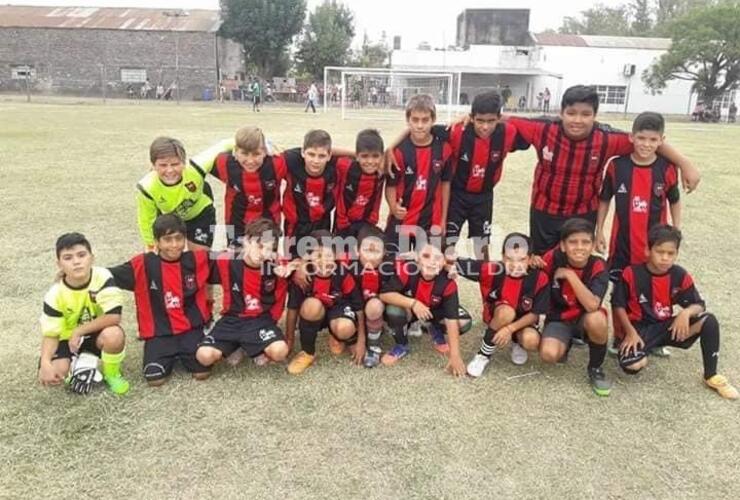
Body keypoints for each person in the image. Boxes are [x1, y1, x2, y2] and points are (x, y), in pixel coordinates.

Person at [507, 85, 699, 255]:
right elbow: (502, 120)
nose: (578, 120)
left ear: (595, 116)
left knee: (576, 267)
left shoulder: (607, 138)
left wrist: (685, 164)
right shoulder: (542, 129)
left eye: (585, 114)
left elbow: (646, 140)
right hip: (544, 212)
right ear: (561, 112)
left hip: (583, 214)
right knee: (542, 266)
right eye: (571, 113)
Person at [612, 225, 738, 400]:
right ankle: (645, 349)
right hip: (639, 330)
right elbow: (618, 305)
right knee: (632, 366)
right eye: (660, 252)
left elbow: (699, 305)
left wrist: (685, 313)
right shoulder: (631, 273)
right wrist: (630, 333)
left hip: (665, 327)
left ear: (676, 254)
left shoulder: (679, 275)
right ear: (648, 250)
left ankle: (711, 375)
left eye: (670, 254)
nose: (665, 258)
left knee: (709, 320)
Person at [109, 214, 212, 386]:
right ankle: (166, 352)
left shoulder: (197, 259)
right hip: (159, 333)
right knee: (155, 380)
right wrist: (75, 275)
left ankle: (188, 350)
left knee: (202, 373)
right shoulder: (142, 264)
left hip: (190, 329)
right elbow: (107, 275)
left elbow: (232, 263)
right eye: (167, 239)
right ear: (157, 242)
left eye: (179, 238)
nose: (174, 245)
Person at [431, 91, 529, 260]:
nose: (485, 126)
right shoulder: (457, 131)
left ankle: (487, 284)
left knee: (481, 247)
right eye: (480, 120)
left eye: (491, 121)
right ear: (472, 117)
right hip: (457, 196)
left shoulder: (507, 133)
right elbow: (423, 130)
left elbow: (529, 136)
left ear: (499, 118)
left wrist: (507, 118)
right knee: (446, 245)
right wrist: (390, 149)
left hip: (484, 198)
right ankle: (442, 285)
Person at [38, 233, 129, 395]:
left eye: (81, 255)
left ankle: (112, 374)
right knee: (56, 375)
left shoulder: (103, 277)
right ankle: (78, 366)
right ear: (59, 264)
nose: (76, 261)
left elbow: (114, 316)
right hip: (68, 341)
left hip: (96, 335)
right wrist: (45, 362)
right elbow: (51, 334)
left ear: (92, 258)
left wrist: (79, 331)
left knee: (114, 334)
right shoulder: (54, 294)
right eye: (68, 258)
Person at [597, 111, 682, 283]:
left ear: (661, 140)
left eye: (653, 140)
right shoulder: (616, 166)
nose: (646, 144)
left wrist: (676, 229)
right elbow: (604, 199)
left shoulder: (667, 169)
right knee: (620, 291)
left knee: (648, 287)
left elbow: (674, 200)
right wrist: (599, 230)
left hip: (654, 245)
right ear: (631, 137)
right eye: (641, 138)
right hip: (622, 244)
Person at [196, 218, 292, 371]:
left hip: (259, 321)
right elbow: (196, 263)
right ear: (247, 241)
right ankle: (239, 346)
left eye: (269, 249)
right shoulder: (227, 260)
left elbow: (294, 268)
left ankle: (248, 346)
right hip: (232, 320)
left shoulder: (275, 267)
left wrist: (289, 266)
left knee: (280, 352)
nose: (263, 253)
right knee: (204, 357)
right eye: (259, 246)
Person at [456, 233, 549, 378]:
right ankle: (483, 355)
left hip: (522, 323)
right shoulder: (491, 269)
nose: (515, 264)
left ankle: (515, 341)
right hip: (498, 316)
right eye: (509, 258)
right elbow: (457, 263)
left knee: (531, 341)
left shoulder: (540, 278)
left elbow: (535, 314)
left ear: (531, 259)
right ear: (502, 257)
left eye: (522, 259)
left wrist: (509, 329)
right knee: (507, 312)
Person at [538, 218, 611, 396]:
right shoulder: (553, 258)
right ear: (562, 246)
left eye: (585, 242)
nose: (579, 247)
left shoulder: (598, 265)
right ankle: (567, 341)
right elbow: (534, 277)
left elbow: (592, 305)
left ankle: (595, 367)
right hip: (559, 318)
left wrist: (570, 275)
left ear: (593, 245)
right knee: (548, 355)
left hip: (585, 318)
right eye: (573, 242)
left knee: (597, 319)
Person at [379, 242, 470, 376]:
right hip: (412, 310)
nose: (432, 262)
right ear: (417, 258)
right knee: (393, 310)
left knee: (464, 323)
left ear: (445, 261)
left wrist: (455, 355)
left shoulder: (448, 282)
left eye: (437, 258)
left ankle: (433, 327)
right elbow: (384, 294)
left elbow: (451, 319)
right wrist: (413, 303)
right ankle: (401, 345)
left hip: (435, 311)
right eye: (426, 256)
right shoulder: (408, 270)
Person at [190, 126, 286, 247]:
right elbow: (196, 162)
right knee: (236, 263)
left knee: (266, 263)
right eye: (244, 154)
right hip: (236, 225)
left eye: (256, 154)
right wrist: (227, 143)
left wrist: (269, 143)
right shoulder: (224, 163)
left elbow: (304, 157)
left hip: (269, 223)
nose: (250, 161)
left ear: (265, 151)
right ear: (235, 151)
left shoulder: (277, 162)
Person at [286, 230, 364, 374]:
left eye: (328, 255)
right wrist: (289, 340)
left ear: (335, 255)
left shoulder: (343, 273)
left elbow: (359, 308)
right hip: (317, 312)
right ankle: (308, 353)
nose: (323, 260)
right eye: (318, 255)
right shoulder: (303, 276)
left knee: (345, 329)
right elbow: (292, 308)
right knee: (311, 306)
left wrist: (361, 341)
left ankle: (338, 336)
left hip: (338, 309)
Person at [385, 94, 452, 256]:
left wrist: (443, 219)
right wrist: (393, 207)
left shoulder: (444, 149)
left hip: (431, 222)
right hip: (402, 220)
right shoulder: (398, 152)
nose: (420, 125)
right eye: (415, 120)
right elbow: (391, 185)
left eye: (425, 120)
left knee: (429, 268)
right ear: (408, 121)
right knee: (394, 270)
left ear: (433, 120)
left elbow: (445, 185)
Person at [136, 137, 216, 252]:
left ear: (184, 163)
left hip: (200, 214)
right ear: (153, 165)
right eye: (163, 165)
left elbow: (223, 145)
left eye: (175, 164)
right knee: (166, 254)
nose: (169, 170)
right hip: (172, 218)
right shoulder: (147, 187)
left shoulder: (196, 167)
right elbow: (146, 219)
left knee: (200, 257)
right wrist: (150, 244)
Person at [334, 129, 385, 239]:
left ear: (382, 156)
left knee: (366, 254)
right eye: (365, 156)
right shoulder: (346, 167)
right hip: (343, 224)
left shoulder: (382, 171)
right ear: (357, 156)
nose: (370, 161)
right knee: (342, 255)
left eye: (375, 156)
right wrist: (353, 153)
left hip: (367, 223)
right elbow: (327, 150)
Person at [351, 225, 388, 368]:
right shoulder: (349, 268)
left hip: (375, 310)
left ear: (384, 252)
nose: (371, 257)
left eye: (376, 251)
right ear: (357, 250)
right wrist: (360, 340)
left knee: (374, 306)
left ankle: (373, 347)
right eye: (367, 250)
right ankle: (350, 337)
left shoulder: (388, 269)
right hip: (356, 309)